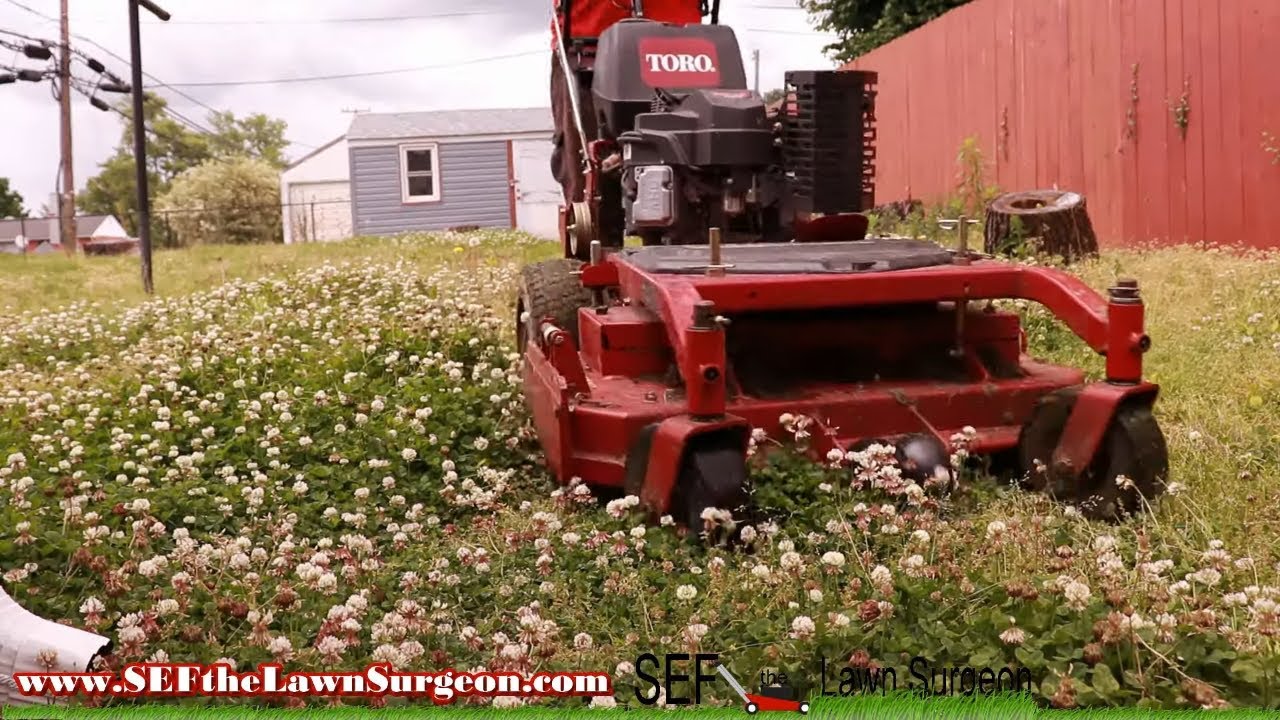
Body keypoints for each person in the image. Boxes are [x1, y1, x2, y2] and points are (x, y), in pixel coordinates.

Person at [549, 0, 704, 215]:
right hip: (586, 44)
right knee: (584, 162)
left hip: (682, 43)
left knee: (697, 153)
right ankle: (593, 233)